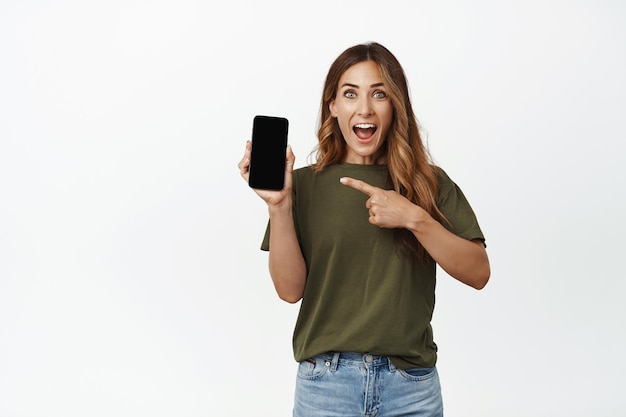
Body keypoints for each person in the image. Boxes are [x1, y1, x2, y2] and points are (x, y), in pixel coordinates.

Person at [238, 42, 490, 417]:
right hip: (326, 385)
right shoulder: (302, 186)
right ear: (333, 106)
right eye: (350, 93)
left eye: (380, 94)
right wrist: (280, 206)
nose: (365, 108)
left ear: (396, 106)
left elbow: (478, 272)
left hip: (411, 388)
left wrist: (413, 218)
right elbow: (290, 292)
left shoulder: (429, 184)